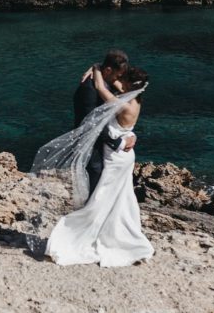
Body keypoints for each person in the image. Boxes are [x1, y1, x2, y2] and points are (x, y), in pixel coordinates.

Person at [34, 65, 153, 267]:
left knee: (104, 196)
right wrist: (99, 67)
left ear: (128, 86)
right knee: (120, 196)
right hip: (125, 154)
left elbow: (99, 86)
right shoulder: (134, 98)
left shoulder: (124, 104)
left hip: (117, 157)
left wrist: (96, 69)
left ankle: (92, 234)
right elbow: (114, 82)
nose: (118, 82)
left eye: (122, 81)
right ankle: (119, 234)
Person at [72, 50, 135, 193]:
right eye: (117, 75)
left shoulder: (108, 81)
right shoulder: (88, 89)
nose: (118, 80)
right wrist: (117, 142)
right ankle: (91, 210)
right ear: (108, 70)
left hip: (105, 140)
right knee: (96, 171)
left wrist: (96, 66)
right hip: (91, 142)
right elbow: (90, 122)